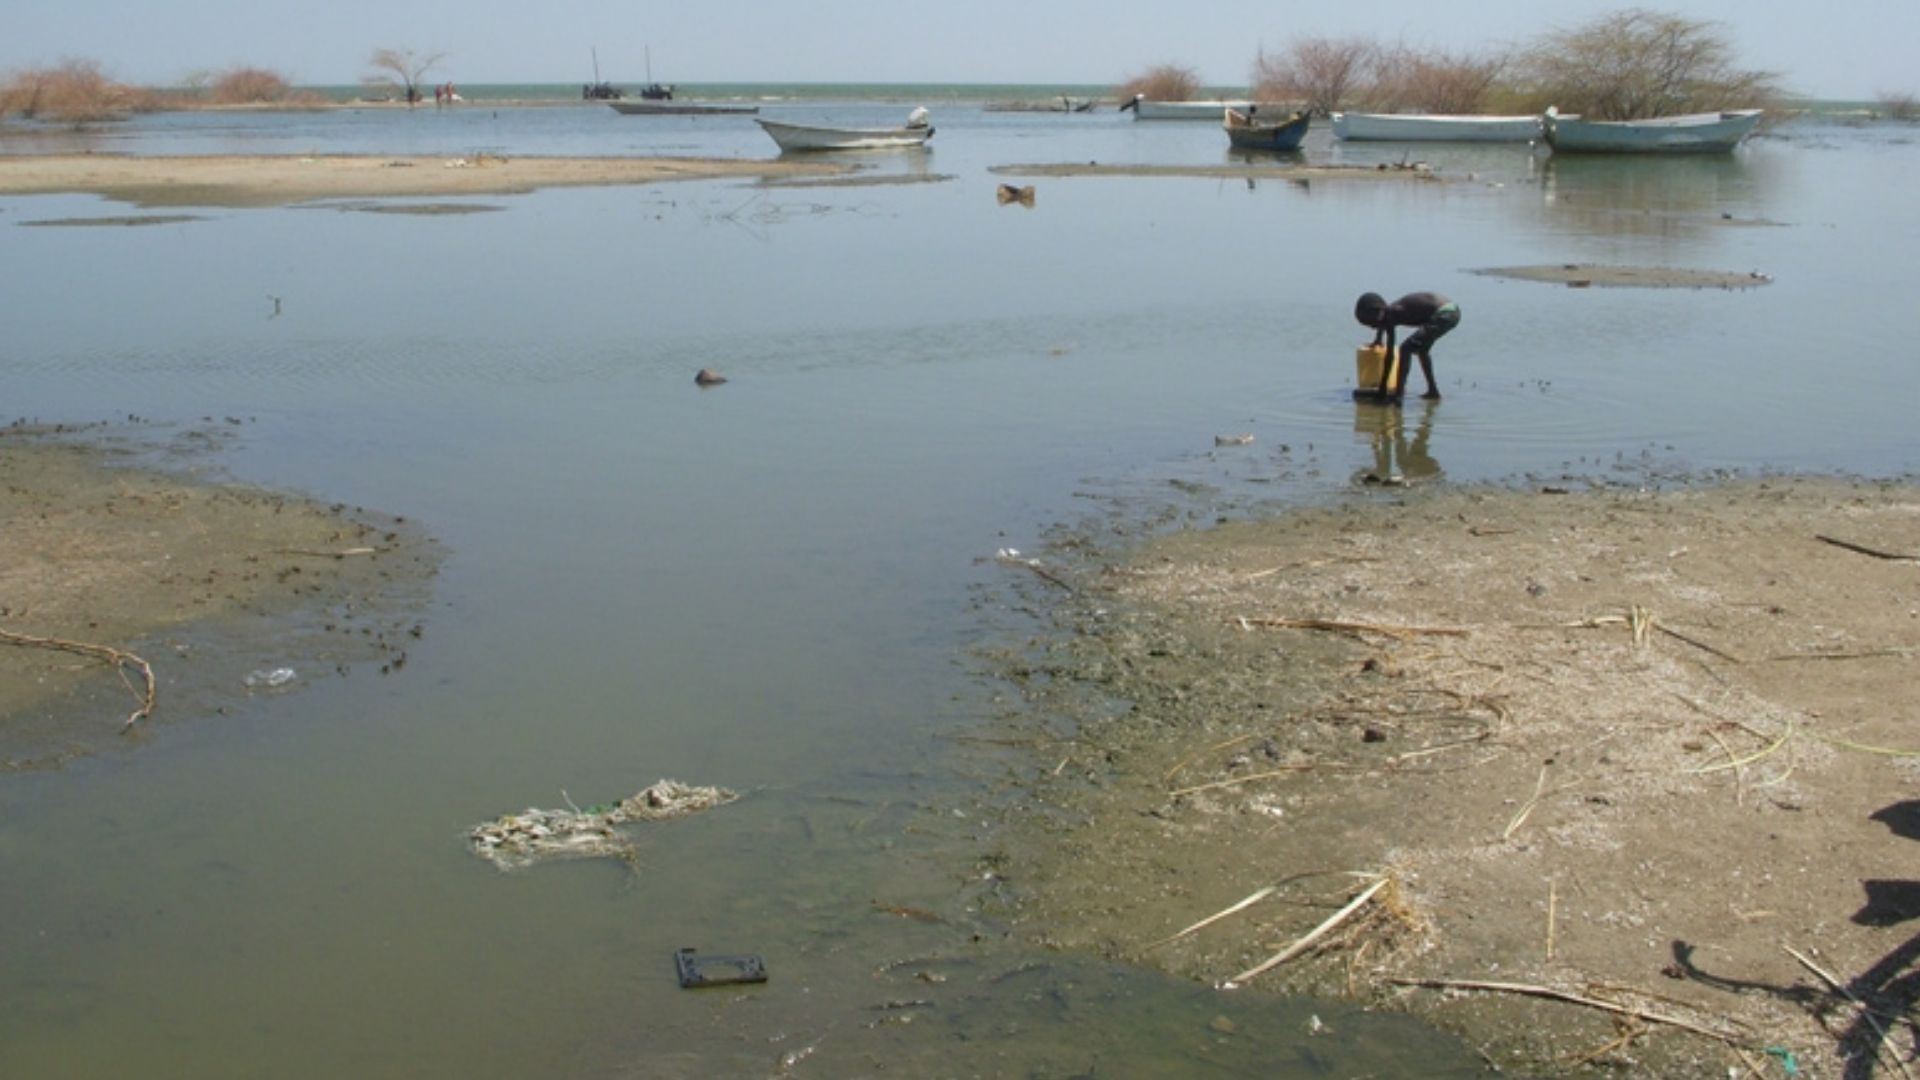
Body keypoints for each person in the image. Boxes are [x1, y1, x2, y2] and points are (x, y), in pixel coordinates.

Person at [1354, 291, 1460, 403]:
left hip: (1446, 313)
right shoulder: (1387, 314)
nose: (1372, 327)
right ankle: (1433, 391)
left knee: (1405, 349)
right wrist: (1378, 339)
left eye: (1371, 323)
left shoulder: (1394, 312)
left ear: (1378, 313)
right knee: (1422, 350)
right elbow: (1388, 351)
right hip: (1447, 312)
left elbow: (1390, 356)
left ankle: (1399, 395)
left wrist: (1385, 390)